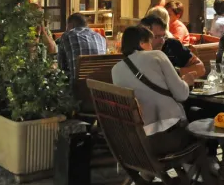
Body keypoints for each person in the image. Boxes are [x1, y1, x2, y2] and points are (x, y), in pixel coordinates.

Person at [111, 25, 196, 156]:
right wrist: (187, 81)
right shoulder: (157, 56)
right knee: (200, 118)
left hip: (138, 142)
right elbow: (182, 95)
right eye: (149, 42)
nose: (152, 47)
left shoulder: (115, 70)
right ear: (141, 43)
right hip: (169, 137)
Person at [140, 15, 205, 78]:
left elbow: (200, 68)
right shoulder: (135, 51)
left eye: (163, 36)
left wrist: (176, 73)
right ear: (144, 37)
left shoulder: (172, 45)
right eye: (157, 37)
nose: (162, 41)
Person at [56, 13, 107, 81]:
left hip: (76, 88)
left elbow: (61, 67)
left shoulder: (67, 36)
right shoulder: (101, 38)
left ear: (71, 25)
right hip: (97, 87)